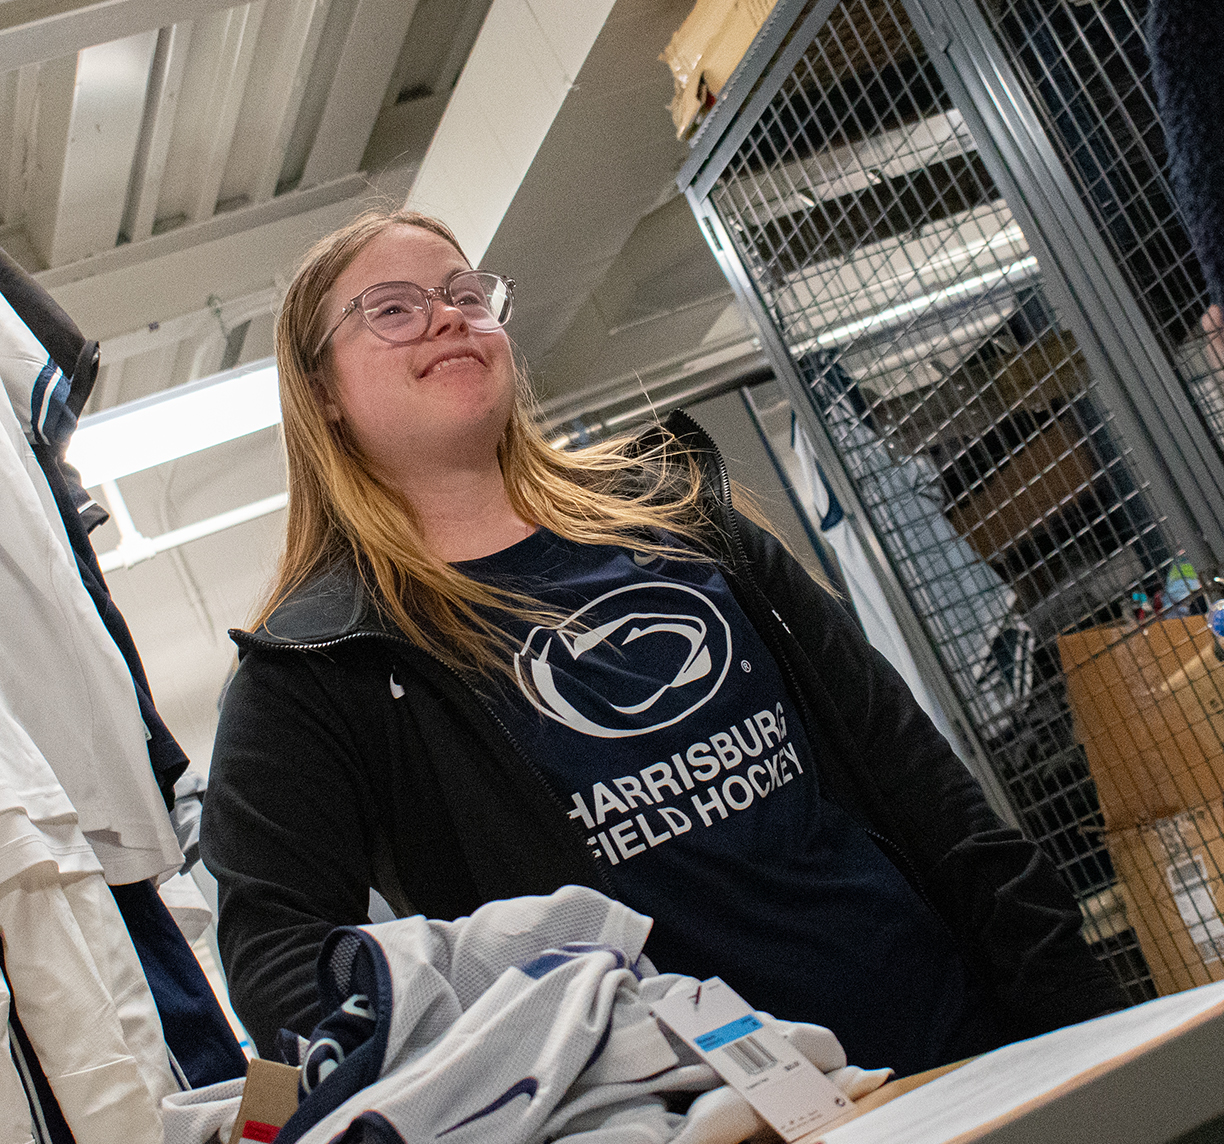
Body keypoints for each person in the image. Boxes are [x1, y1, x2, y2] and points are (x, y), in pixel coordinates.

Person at [199, 209, 1125, 1078]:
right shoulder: (322, 665)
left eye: (466, 295)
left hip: (957, 1049)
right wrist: (522, 1073)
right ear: (319, 393)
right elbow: (280, 969)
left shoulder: (679, 520)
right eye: (393, 310)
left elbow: (917, 777)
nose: (449, 319)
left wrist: (1078, 1015)